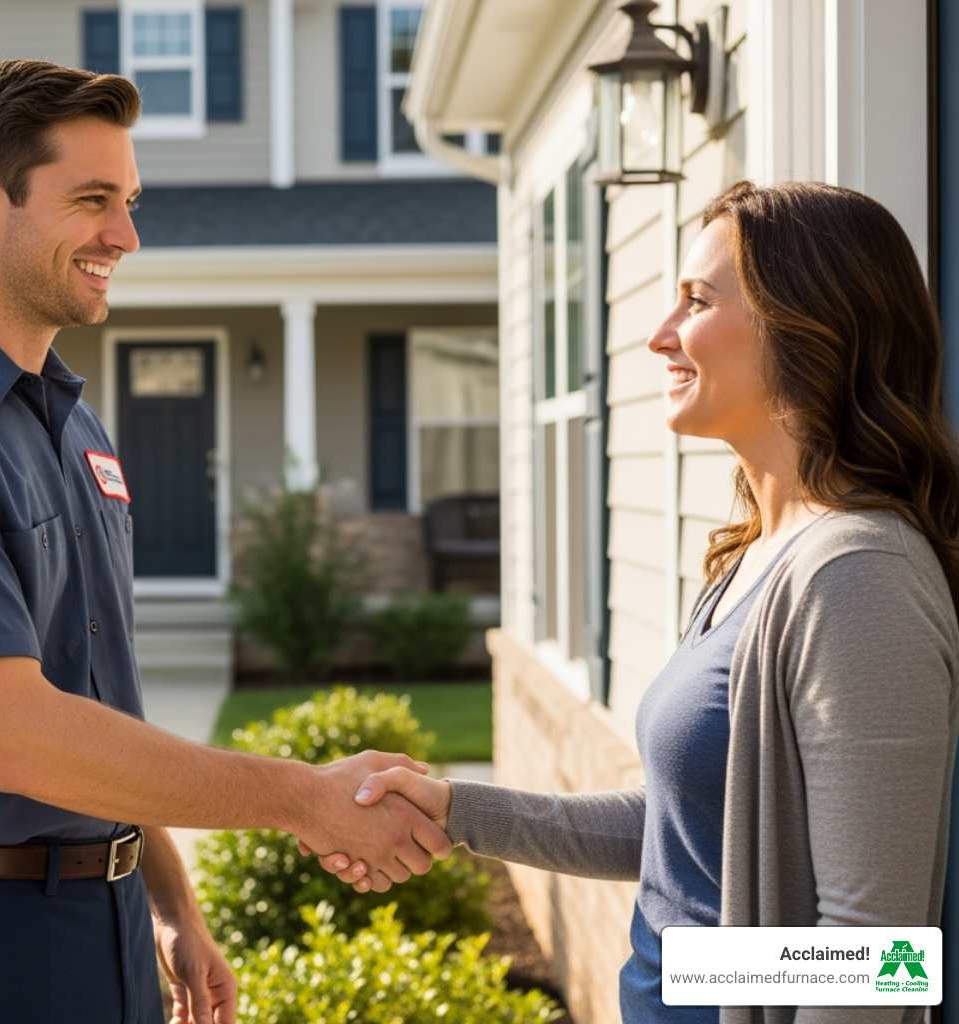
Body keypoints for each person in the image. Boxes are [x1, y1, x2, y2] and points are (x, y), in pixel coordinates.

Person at [0, 59, 450, 1024]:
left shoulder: (71, 425)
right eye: (93, 200)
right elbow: (21, 738)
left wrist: (171, 903)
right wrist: (302, 797)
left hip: (103, 923)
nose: (126, 236)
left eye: (129, 201)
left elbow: (98, 708)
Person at [316, 181, 959, 1024]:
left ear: (809, 324)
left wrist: (696, 977)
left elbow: (876, 956)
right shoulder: (754, 556)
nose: (661, 336)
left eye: (695, 301)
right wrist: (458, 809)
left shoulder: (857, 575)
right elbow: (681, 832)